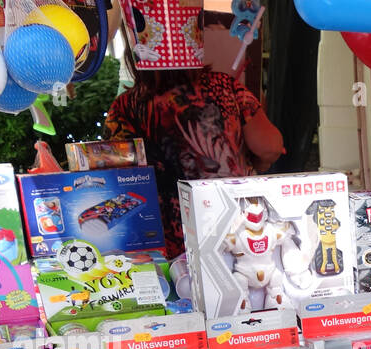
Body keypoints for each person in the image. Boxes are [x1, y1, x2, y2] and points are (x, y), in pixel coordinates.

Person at [105, 68, 285, 257]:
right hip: (236, 229)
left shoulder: (126, 106)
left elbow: (114, 179)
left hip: (171, 246)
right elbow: (269, 146)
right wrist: (257, 163)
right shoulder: (225, 86)